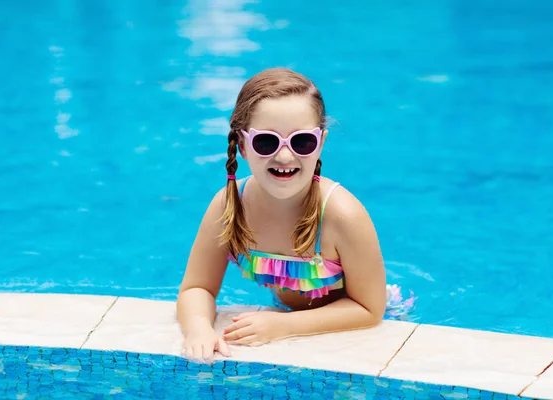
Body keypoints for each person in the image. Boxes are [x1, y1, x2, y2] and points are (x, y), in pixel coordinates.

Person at [176, 68, 415, 362]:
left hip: (370, 323)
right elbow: (197, 287)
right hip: (289, 316)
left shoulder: (342, 215)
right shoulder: (229, 206)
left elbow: (369, 309)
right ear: (242, 145)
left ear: (321, 143)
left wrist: (284, 325)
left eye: (302, 142)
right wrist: (198, 329)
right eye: (267, 142)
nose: (285, 157)